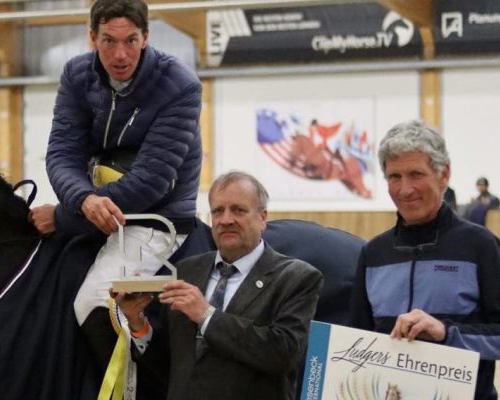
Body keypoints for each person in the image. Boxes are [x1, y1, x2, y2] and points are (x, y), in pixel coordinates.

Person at [28, 0, 203, 377]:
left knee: (94, 303)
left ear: (146, 37)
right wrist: (82, 199)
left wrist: (63, 215)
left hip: (155, 218)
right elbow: (62, 154)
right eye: (108, 40)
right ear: (92, 37)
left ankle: (132, 389)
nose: (120, 54)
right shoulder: (76, 74)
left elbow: (152, 182)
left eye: (131, 40)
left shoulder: (181, 86)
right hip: (92, 208)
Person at [349, 121, 500, 400]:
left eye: (416, 174)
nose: (405, 189)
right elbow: (355, 343)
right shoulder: (373, 253)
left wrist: (447, 334)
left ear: (444, 174)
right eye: (394, 176)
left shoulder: (480, 246)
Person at [114, 171, 324, 400]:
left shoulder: (297, 277)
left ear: (263, 218)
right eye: (217, 211)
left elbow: (283, 353)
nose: (226, 220)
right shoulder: (186, 271)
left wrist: (207, 315)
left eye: (238, 210)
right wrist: (138, 325)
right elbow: (172, 364)